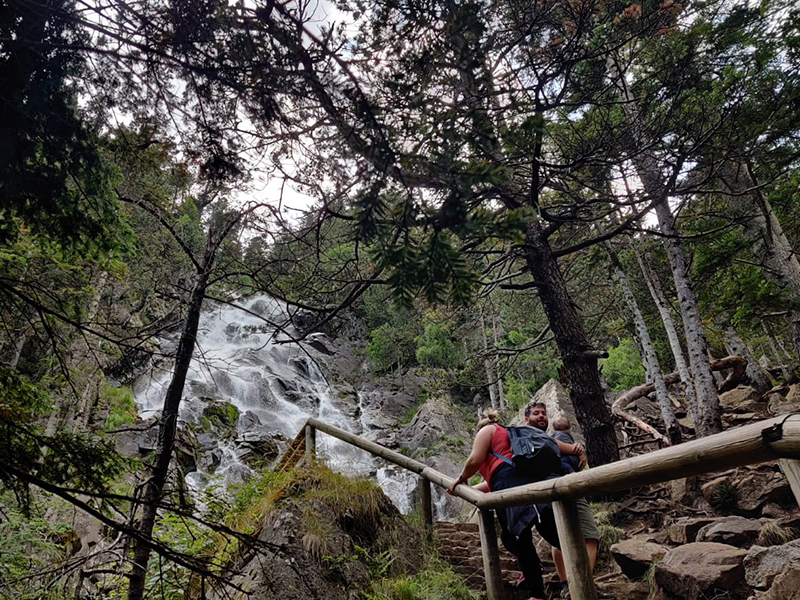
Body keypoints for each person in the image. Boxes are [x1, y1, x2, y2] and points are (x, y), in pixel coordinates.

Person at [447, 409, 565, 600]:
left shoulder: (488, 430)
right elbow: (494, 478)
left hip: (510, 485)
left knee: (522, 537)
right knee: (515, 537)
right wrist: (465, 491)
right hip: (518, 481)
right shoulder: (504, 439)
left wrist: (461, 478)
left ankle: (542, 590)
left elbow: (474, 460)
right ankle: (542, 579)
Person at [524, 402, 601, 597]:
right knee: (589, 535)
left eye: (543, 413)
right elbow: (554, 446)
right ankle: (584, 584)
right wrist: (576, 448)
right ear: (526, 419)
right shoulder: (544, 437)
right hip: (565, 488)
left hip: (550, 493)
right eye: (536, 413)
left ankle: (567, 583)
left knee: (560, 538)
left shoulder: (532, 439)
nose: (541, 416)